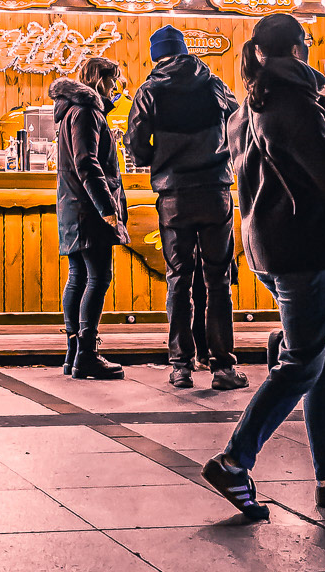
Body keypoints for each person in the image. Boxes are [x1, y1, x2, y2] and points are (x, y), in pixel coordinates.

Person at [201, 13, 325, 521]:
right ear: (300, 50)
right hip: (303, 245)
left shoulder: (247, 107)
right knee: (304, 361)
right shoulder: (294, 102)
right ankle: (236, 460)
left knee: (324, 365)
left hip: (268, 245)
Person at [126, 24, 247, 392]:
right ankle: (223, 366)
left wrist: (158, 158)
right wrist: (222, 153)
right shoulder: (212, 83)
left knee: (178, 280)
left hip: (174, 193)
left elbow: (134, 142)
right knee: (218, 281)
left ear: (156, 55)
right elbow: (240, 122)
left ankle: (180, 366)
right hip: (215, 191)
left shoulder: (149, 90)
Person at [52, 53, 130, 380]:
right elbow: (88, 164)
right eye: (113, 81)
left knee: (78, 277)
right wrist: (108, 210)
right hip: (90, 209)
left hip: (73, 206)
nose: (116, 88)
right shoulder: (87, 111)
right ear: (100, 79)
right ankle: (86, 353)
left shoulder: (71, 110)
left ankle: (74, 353)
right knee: (98, 277)